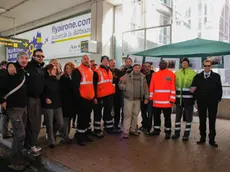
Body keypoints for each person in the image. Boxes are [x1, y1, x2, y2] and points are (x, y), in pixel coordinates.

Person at [8, 49, 45, 155]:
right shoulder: (29, 66)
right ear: (33, 57)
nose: (40, 58)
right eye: (38, 56)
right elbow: (16, 65)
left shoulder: (41, 68)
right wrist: (10, 64)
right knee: (32, 124)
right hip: (29, 99)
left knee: (34, 124)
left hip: (38, 99)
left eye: (42, 56)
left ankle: (28, 144)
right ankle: (29, 146)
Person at [0, 52, 29, 171]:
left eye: (26, 58)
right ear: (17, 59)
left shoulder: (23, 71)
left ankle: (19, 158)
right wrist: (1, 100)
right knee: (20, 134)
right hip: (14, 108)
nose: (24, 60)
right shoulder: (11, 70)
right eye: (22, 58)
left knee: (20, 135)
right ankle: (15, 162)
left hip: (23, 107)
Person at [190, 59, 222, 147]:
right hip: (201, 102)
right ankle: (202, 138)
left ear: (211, 66)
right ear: (203, 66)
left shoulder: (216, 76)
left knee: (212, 120)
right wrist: (195, 100)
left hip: (213, 102)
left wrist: (218, 99)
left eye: (209, 66)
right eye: (205, 66)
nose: (207, 67)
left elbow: (219, 89)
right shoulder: (198, 77)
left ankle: (212, 139)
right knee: (202, 120)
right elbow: (192, 88)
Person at [119, 64, 149, 139]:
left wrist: (146, 98)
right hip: (128, 99)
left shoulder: (142, 76)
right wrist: (125, 87)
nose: (137, 69)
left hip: (138, 99)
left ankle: (133, 129)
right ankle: (126, 131)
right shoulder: (127, 75)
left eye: (139, 68)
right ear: (133, 68)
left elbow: (146, 88)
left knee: (135, 115)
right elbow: (120, 84)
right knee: (127, 115)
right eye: (136, 68)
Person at [93, 56, 120, 138]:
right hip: (100, 96)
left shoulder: (110, 71)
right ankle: (97, 130)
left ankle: (109, 128)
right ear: (101, 61)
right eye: (104, 60)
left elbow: (111, 82)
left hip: (109, 95)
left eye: (106, 60)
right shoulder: (97, 71)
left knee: (108, 112)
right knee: (98, 113)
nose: (105, 61)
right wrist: (94, 97)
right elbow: (94, 85)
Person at [149, 60, 176, 139]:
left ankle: (168, 132)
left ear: (166, 65)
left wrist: (172, 99)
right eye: (161, 63)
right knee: (156, 117)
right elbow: (151, 86)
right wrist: (151, 98)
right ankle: (156, 130)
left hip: (167, 102)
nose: (162, 65)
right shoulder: (155, 74)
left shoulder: (171, 74)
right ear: (159, 65)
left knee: (167, 117)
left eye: (163, 63)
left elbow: (173, 87)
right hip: (156, 101)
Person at [72, 55, 95, 146]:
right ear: (81, 60)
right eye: (84, 59)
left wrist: (93, 97)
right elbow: (75, 87)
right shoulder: (78, 70)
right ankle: (79, 137)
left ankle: (85, 135)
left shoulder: (90, 71)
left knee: (87, 119)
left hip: (89, 98)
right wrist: (78, 99)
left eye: (87, 59)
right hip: (82, 99)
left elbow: (91, 85)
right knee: (81, 119)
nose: (86, 60)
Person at [172, 58, 196, 141]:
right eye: (183, 63)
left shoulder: (193, 73)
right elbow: (173, 85)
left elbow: (196, 86)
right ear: (181, 64)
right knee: (177, 117)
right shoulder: (177, 72)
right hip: (179, 99)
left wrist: (194, 98)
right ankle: (176, 133)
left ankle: (186, 134)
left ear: (188, 64)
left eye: (186, 63)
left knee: (189, 118)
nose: (184, 64)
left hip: (189, 100)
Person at [42, 64, 64, 149]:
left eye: (55, 69)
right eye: (53, 69)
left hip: (58, 104)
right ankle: (51, 141)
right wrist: (45, 98)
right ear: (48, 70)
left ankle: (52, 133)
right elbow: (41, 92)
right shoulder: (44, 80)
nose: (55, 70)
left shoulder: (57, 80)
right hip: (48, 105)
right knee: (49, 124)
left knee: (60, 123)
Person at [60, 62, 76, 143]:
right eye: (67, 68)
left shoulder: (74, 77)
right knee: (65, 120)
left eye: (70, 68)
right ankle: (65, 137)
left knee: (69, 119)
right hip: (65, 102)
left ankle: (67, 136)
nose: (68, 70)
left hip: (72, 102)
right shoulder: (63, 77)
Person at [140, 62, 154, 133]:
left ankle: (148, 127)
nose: (147, 68)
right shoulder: (140, 74)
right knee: (143, 112)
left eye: (148, 66)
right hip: (142, 96)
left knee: (150, 112)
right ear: (143, 67)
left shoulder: (154, 75)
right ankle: (144, 125)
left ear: (151, 67)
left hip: (150, 97)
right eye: (145, 66)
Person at [0, 61, 12, 139]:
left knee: (5, 115)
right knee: (5, 116)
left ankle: (5, 131)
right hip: (4, 98)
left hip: (5, 98)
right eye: (5, 66)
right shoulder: (2, 73)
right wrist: (2, 100)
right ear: (1, 66)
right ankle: (4, 133)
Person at [109, 59, 122, 130]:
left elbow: (121, 81)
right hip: (109, 94)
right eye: (111, 63)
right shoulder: (106, 71)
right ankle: (108, 124)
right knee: (108, 110)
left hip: (117, 94)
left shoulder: (119, 71)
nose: (112, 64)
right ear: (109, 64)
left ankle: (116, 123)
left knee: (117, 110)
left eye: (114, 63)